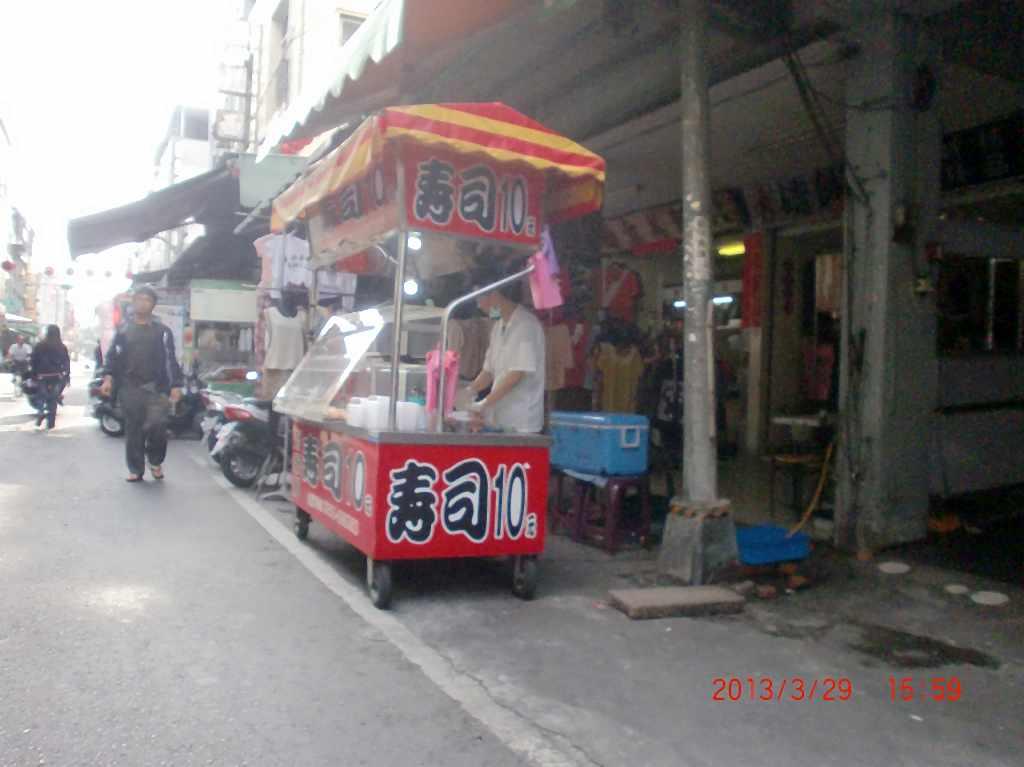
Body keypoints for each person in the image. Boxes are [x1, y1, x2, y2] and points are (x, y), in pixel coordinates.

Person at [100, 286, 183, 482]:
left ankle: (155, 460)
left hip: (156, 387)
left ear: (153, 305)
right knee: (133, 429)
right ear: (134, 302)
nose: (142, 303)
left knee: (158, 426)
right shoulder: (123, 330)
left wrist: (175, 385)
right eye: (139, 299)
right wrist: (108, 378)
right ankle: (136, 469)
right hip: (130, 387)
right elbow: (113, 356)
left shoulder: (162, 331)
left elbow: (171, 359)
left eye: (147, 300)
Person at [465, 275, 546, 433]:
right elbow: (488, 371)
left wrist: (483, 403)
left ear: (494, 295)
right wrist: (469, 391)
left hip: (522, 421)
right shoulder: (498, 326)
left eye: (479, 299)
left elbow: (517, 374)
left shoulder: (526, 325)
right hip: (501, 417)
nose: (479, 306)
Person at [29, 326, 70, 431]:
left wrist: (34, 374)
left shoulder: (39, 345)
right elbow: (66, 362)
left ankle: (41, 412)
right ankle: (51, 423)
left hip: (42, 375)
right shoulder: (62, 347)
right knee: (53, 399)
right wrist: (67, 375)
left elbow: (33, 360)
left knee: (41, 396)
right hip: (57, 376)